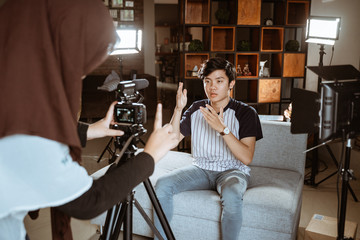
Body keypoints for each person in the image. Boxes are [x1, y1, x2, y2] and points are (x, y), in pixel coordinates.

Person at [0, 0, 178, 239]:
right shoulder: (29, 137)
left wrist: (90, 130)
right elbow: (88, 201)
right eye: (79, 62)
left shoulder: (12, 96)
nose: (81, 74)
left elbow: (29, 125)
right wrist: (151, 154)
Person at [154, 57, 263, 240]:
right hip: (201, 169)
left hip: (232, 170)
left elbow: (246, 157)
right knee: (163, 184)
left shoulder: (246, 113)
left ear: (231, 84)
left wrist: (223, 130)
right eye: (208, 81)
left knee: (232, 194)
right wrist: (178, 109)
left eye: (219, 81)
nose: (212, 87)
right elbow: (172, 141)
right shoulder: (197, 108)